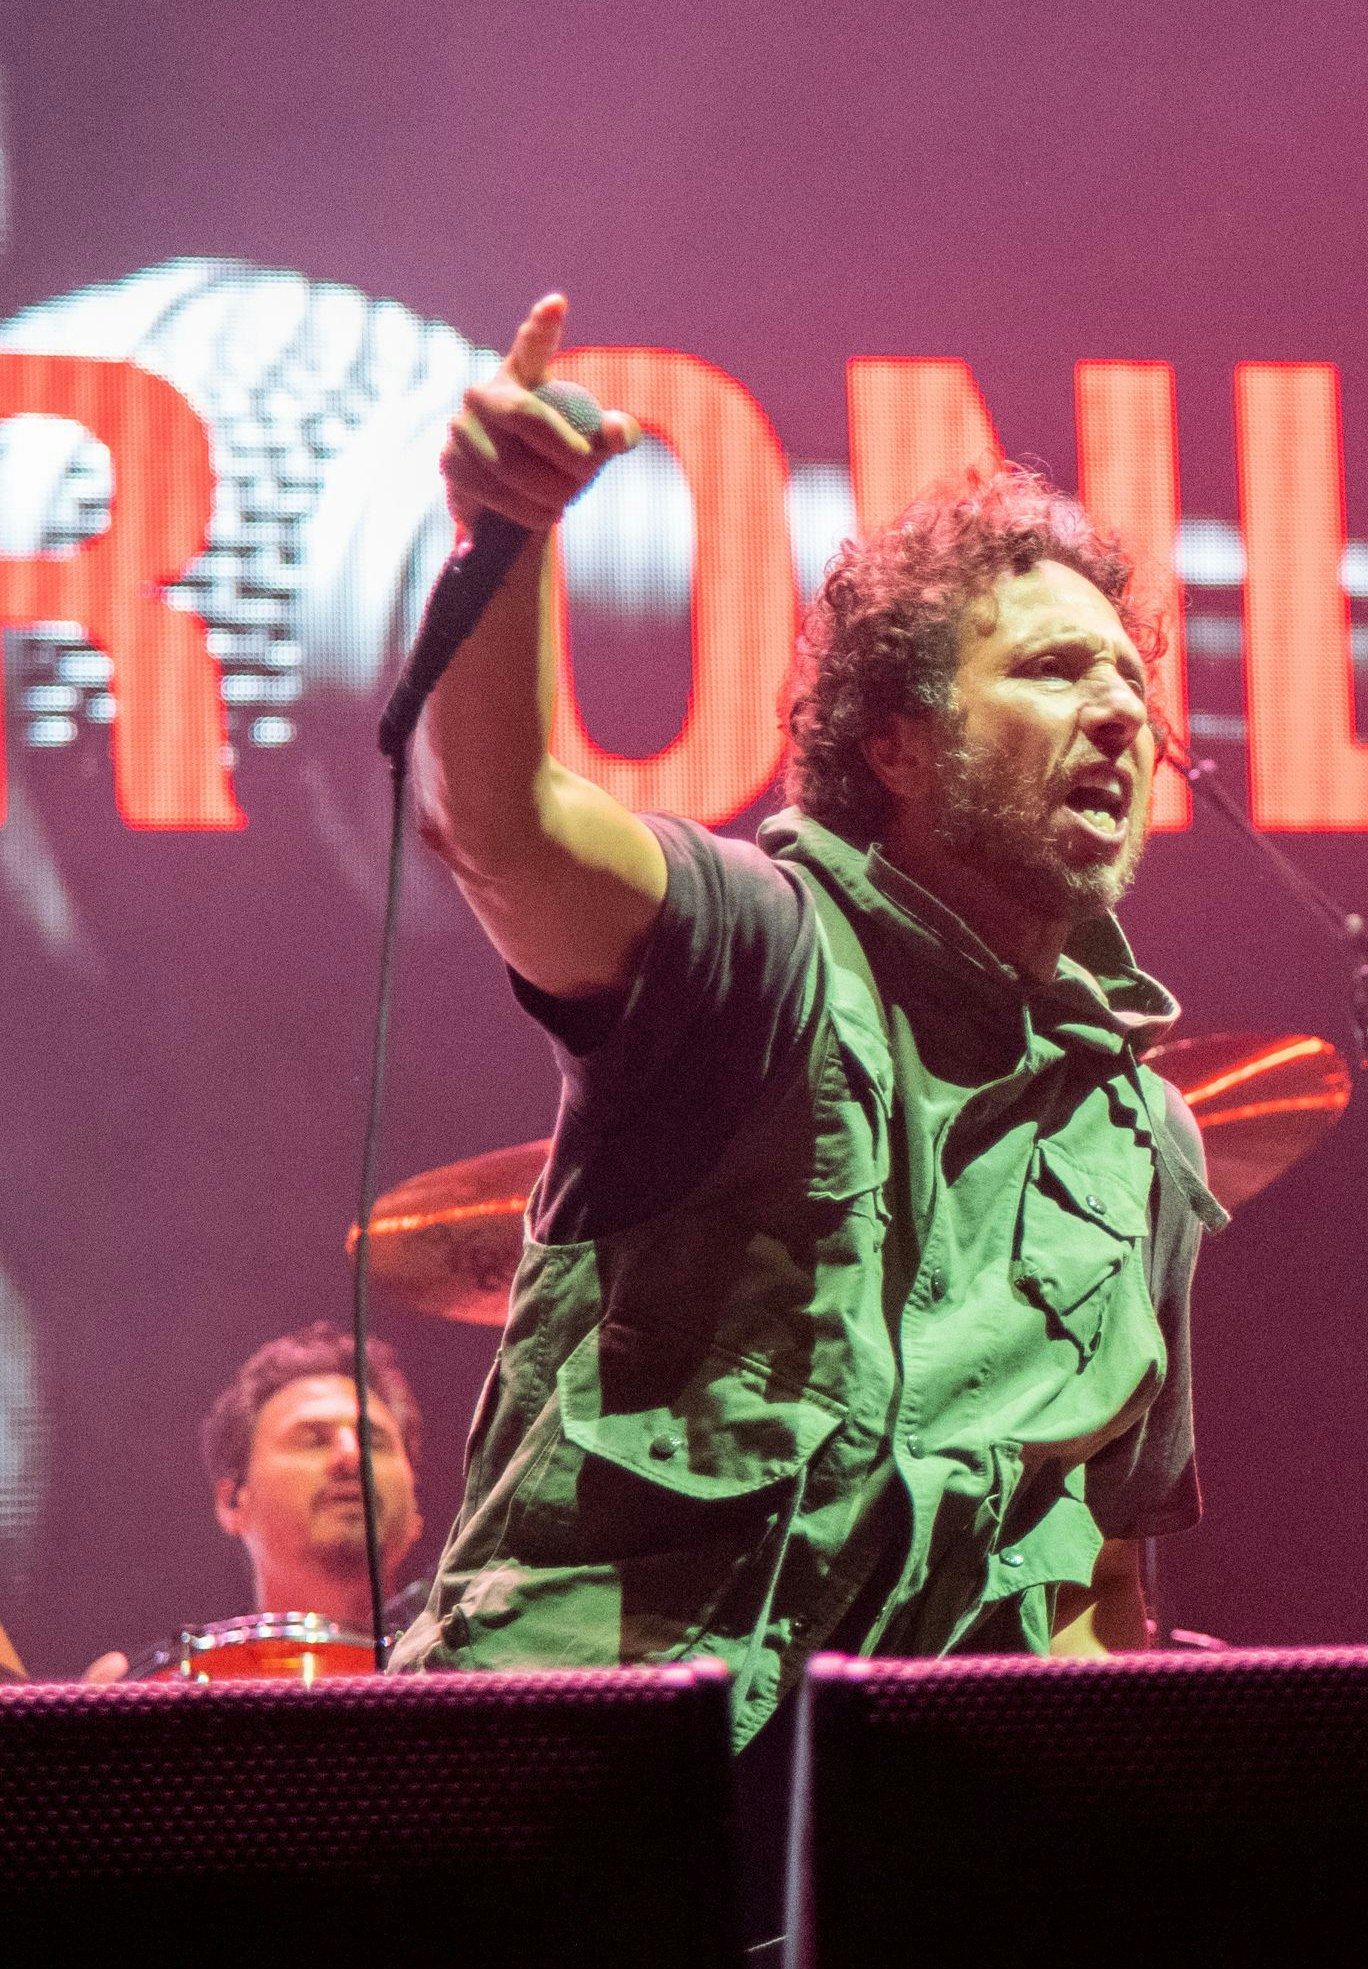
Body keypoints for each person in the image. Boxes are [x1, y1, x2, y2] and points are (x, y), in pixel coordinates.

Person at [389, 298, 1222, 1779]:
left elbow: (1104, 1588)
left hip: (913, 1844)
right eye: (1050, 671)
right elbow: (501, 826)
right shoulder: (753, 944)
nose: (1117, 715)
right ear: (894, 741)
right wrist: (500, 542)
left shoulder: (1145, 1139)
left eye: (1132, 683)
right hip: (580, 1800)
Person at [80, 1322, 429, 1682]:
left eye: (375, 1443)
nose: (351, 1456)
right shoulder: (142, 1689)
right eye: (312, 1439)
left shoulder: (472, 1663)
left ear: (416, 1509)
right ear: (233, 1502)